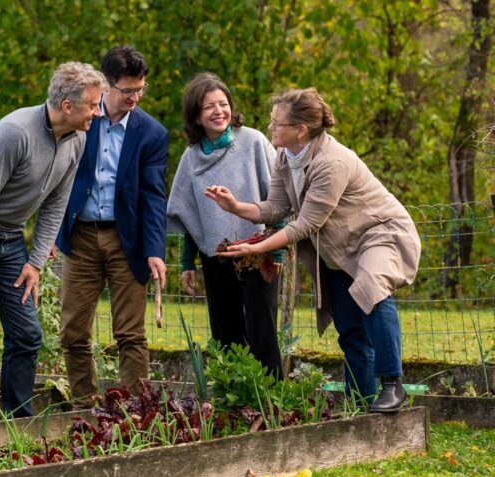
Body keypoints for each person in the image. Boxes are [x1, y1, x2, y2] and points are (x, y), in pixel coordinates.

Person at [206, 87, 421, 412]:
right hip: (340, 246)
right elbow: (277, 207)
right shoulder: (285, 157)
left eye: (277, 123)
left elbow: (304, 224)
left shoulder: (332, 162)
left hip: (380, 233)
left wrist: (257, 247)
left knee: (372, 289)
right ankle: (360, 402)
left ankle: (393, 385)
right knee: (349, 325)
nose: (271, 128)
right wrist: (235, 206)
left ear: (301, 130)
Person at [0, 62, 107, 423]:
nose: (98, 111)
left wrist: (36, 261)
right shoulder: (16, 133)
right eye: (93, 105)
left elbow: (56, 203)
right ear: (67, 106)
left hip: (9, 237)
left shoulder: (77, 139)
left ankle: (17, 422)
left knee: (27, 334)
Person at [55, 46, 169, 408]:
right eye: (127, 90)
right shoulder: (79, 119)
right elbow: (55, 178)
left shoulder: (151, 133)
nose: (135, 97)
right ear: (106, 86)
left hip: (127, 240)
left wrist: (154, 250)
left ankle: (136, 412)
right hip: (81, 236)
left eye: (141, 89)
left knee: (130, 333)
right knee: (73, 332)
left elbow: (154, 197)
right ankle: (83, 409)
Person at [167, 73, 283, 378]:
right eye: (209, 107)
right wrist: (186, 263)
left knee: (262, 334)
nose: (219, 112)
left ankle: (273, 406)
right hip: (216, 257)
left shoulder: (254, 142)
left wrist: (279, 252)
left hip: (259, 252)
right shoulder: (191, 158)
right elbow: (190, 215)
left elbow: (280, 198)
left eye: (223, 104)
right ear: (196, 115)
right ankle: (237, 406)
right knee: (225, 334)